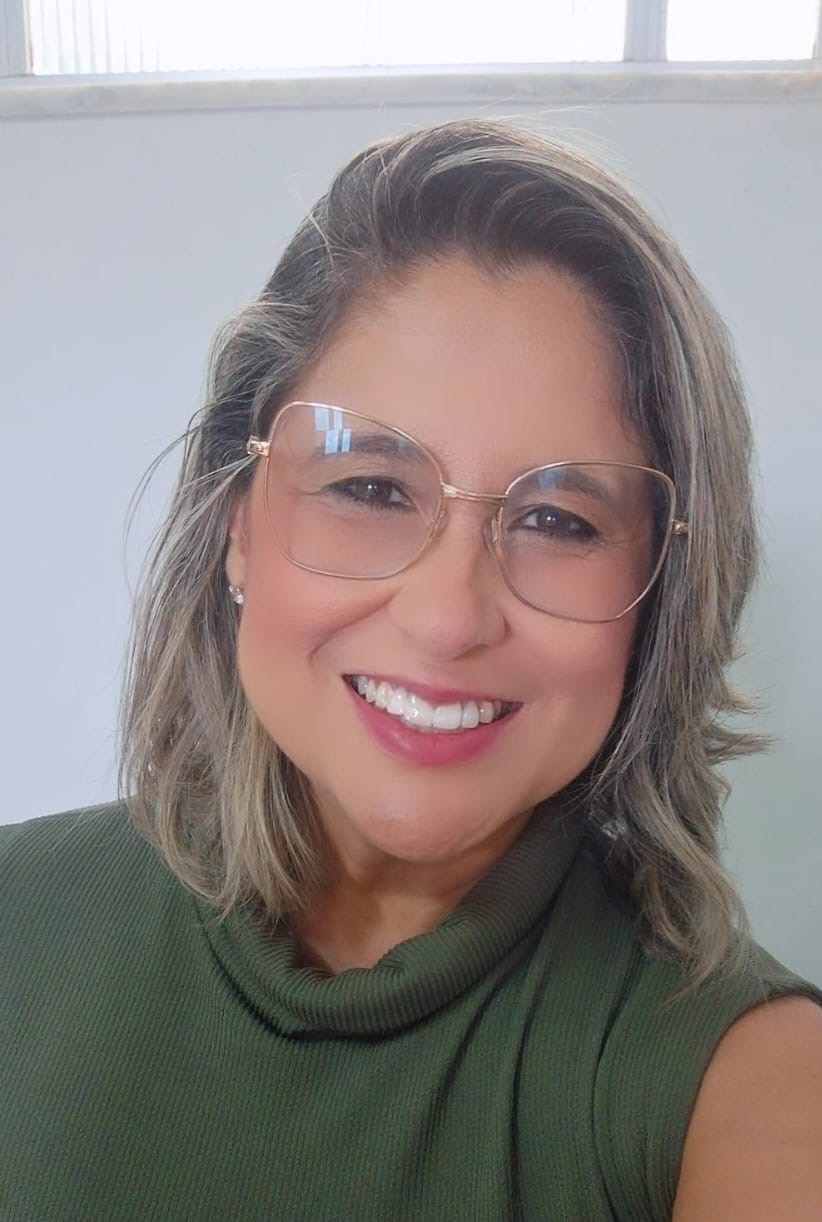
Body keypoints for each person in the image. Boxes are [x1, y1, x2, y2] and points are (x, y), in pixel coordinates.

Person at [2, 117, 820, 1221]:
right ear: (239, 524)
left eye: (558, 519)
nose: (446, 618)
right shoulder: (19, 918)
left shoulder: (752, 1079)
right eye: (372, 488)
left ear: (660, 598)